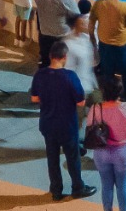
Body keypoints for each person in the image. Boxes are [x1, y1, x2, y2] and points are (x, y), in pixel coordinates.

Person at [30, 42, 94, 200]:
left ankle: (56, 190)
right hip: (67, 125)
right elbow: (80, 102)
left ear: (50, 56)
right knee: (72, 157)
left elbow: (34, 98)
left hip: (47, 124)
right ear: (64, 57)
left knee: (52, 158)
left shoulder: (40, 74)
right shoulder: (70, 76)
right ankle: (77, 187)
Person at [89, 74, 126, 211]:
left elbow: (89, 127)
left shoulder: (95, 108)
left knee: (106, 184)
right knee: (122, 184)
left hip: (101, 152)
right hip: (122, 151)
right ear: (119, 91)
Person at [37, 0, 81, 67]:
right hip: (60, 38)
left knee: (45, 62)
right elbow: (77, 16)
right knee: (60, 66)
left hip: (44, 35)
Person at [61, 4, 98, 98]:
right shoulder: (68, 44)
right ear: (75, 26)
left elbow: (88, 65)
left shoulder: (84, 40)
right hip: (76, 88)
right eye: (82, 23)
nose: (85, 24)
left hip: (87, 85)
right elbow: (67, 68)